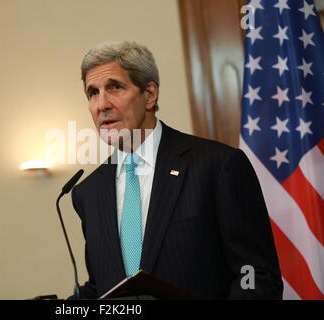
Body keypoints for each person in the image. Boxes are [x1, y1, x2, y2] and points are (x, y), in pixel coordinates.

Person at [70, 41, 283, 299]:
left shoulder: (216, 166)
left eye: (115, 87)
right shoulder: (87, 192)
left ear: (149, 94)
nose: (101, 104)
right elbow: (101, 286)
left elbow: (254, 273)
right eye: (93, 92)